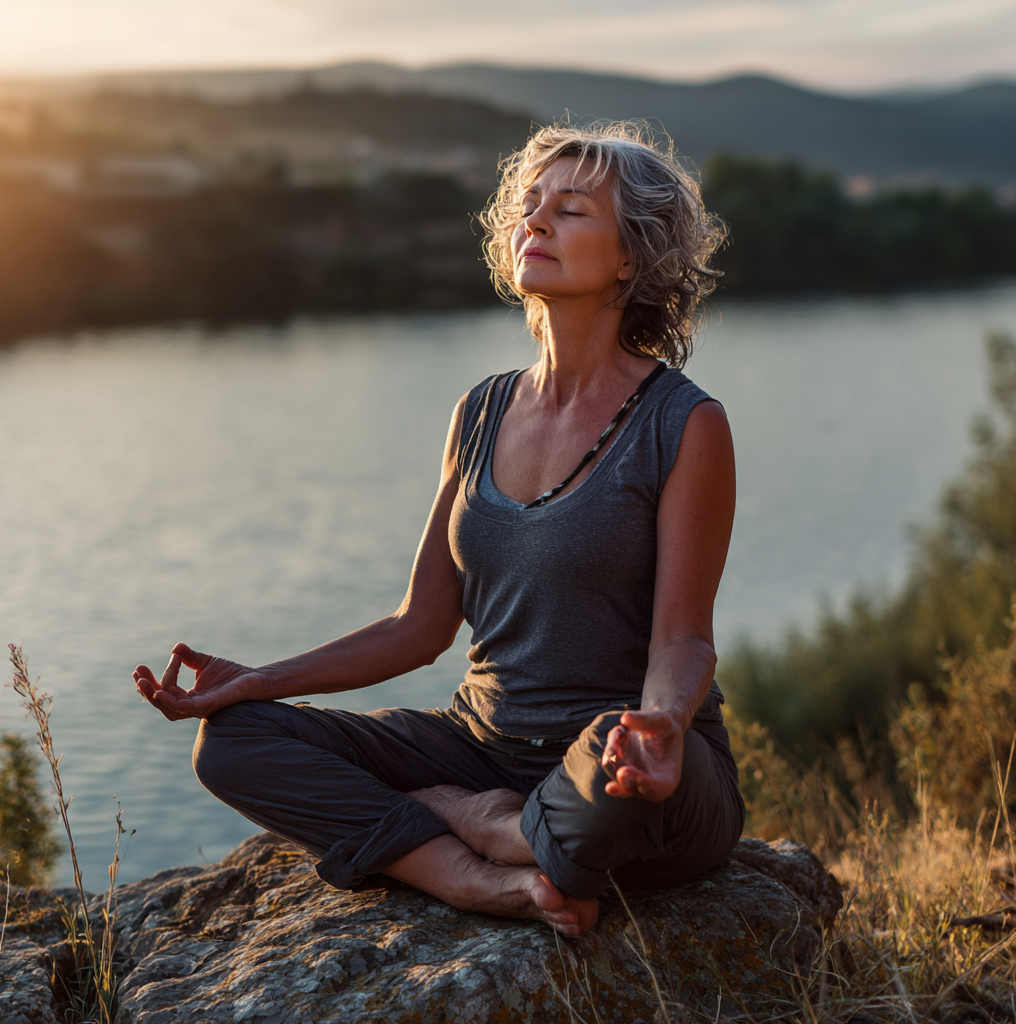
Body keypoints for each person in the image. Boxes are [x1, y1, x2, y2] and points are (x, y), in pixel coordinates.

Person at [133, 122, 743, 938]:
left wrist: (662, 726)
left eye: (570, 211)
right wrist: (254, 682)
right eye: (529, 208)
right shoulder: (482, 411)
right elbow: (417, 627)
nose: (535, 223)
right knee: (234, 744)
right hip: (481, 745)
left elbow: (683, 639)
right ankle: (472, 877)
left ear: (630, 259)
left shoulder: (684, 423)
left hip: (626, 758)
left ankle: (488, 825)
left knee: (606, 775)